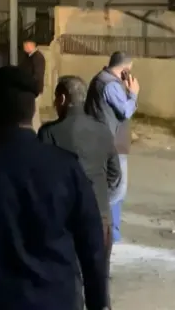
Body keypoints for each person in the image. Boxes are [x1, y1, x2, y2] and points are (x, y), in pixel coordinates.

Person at [0, 66, 108, 310]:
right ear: (32, 110)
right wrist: (100, 304)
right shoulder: (66, 169)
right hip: (55, 301)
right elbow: (93, 248)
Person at [38, 75, 121, 309]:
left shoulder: (49, 133)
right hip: (101, 216)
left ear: (62, 99)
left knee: (72, 281)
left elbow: (42, 179)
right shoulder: (103, 131)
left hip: (66, 220)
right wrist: (102, 199)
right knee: (99, 277)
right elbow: (115, 174)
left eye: (56, 99)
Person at [85, 51, 139, 244]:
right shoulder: (110, 85)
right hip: (113, 144)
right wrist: (133, 94)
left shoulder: (101, 79)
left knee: (113, 187)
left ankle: (112, 230)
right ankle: (102, 224)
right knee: (117, 189)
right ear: (124, 70)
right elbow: (125, 111)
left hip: (105, 141)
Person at [19, 38, 46, 131]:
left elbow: (37, 75)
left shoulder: (37, 57)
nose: (24, 48)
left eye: (25, 46)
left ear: (30, 45)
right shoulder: (29, 57)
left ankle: (36, 131)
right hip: (30, 89)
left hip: (34, 90)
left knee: (34, 113)